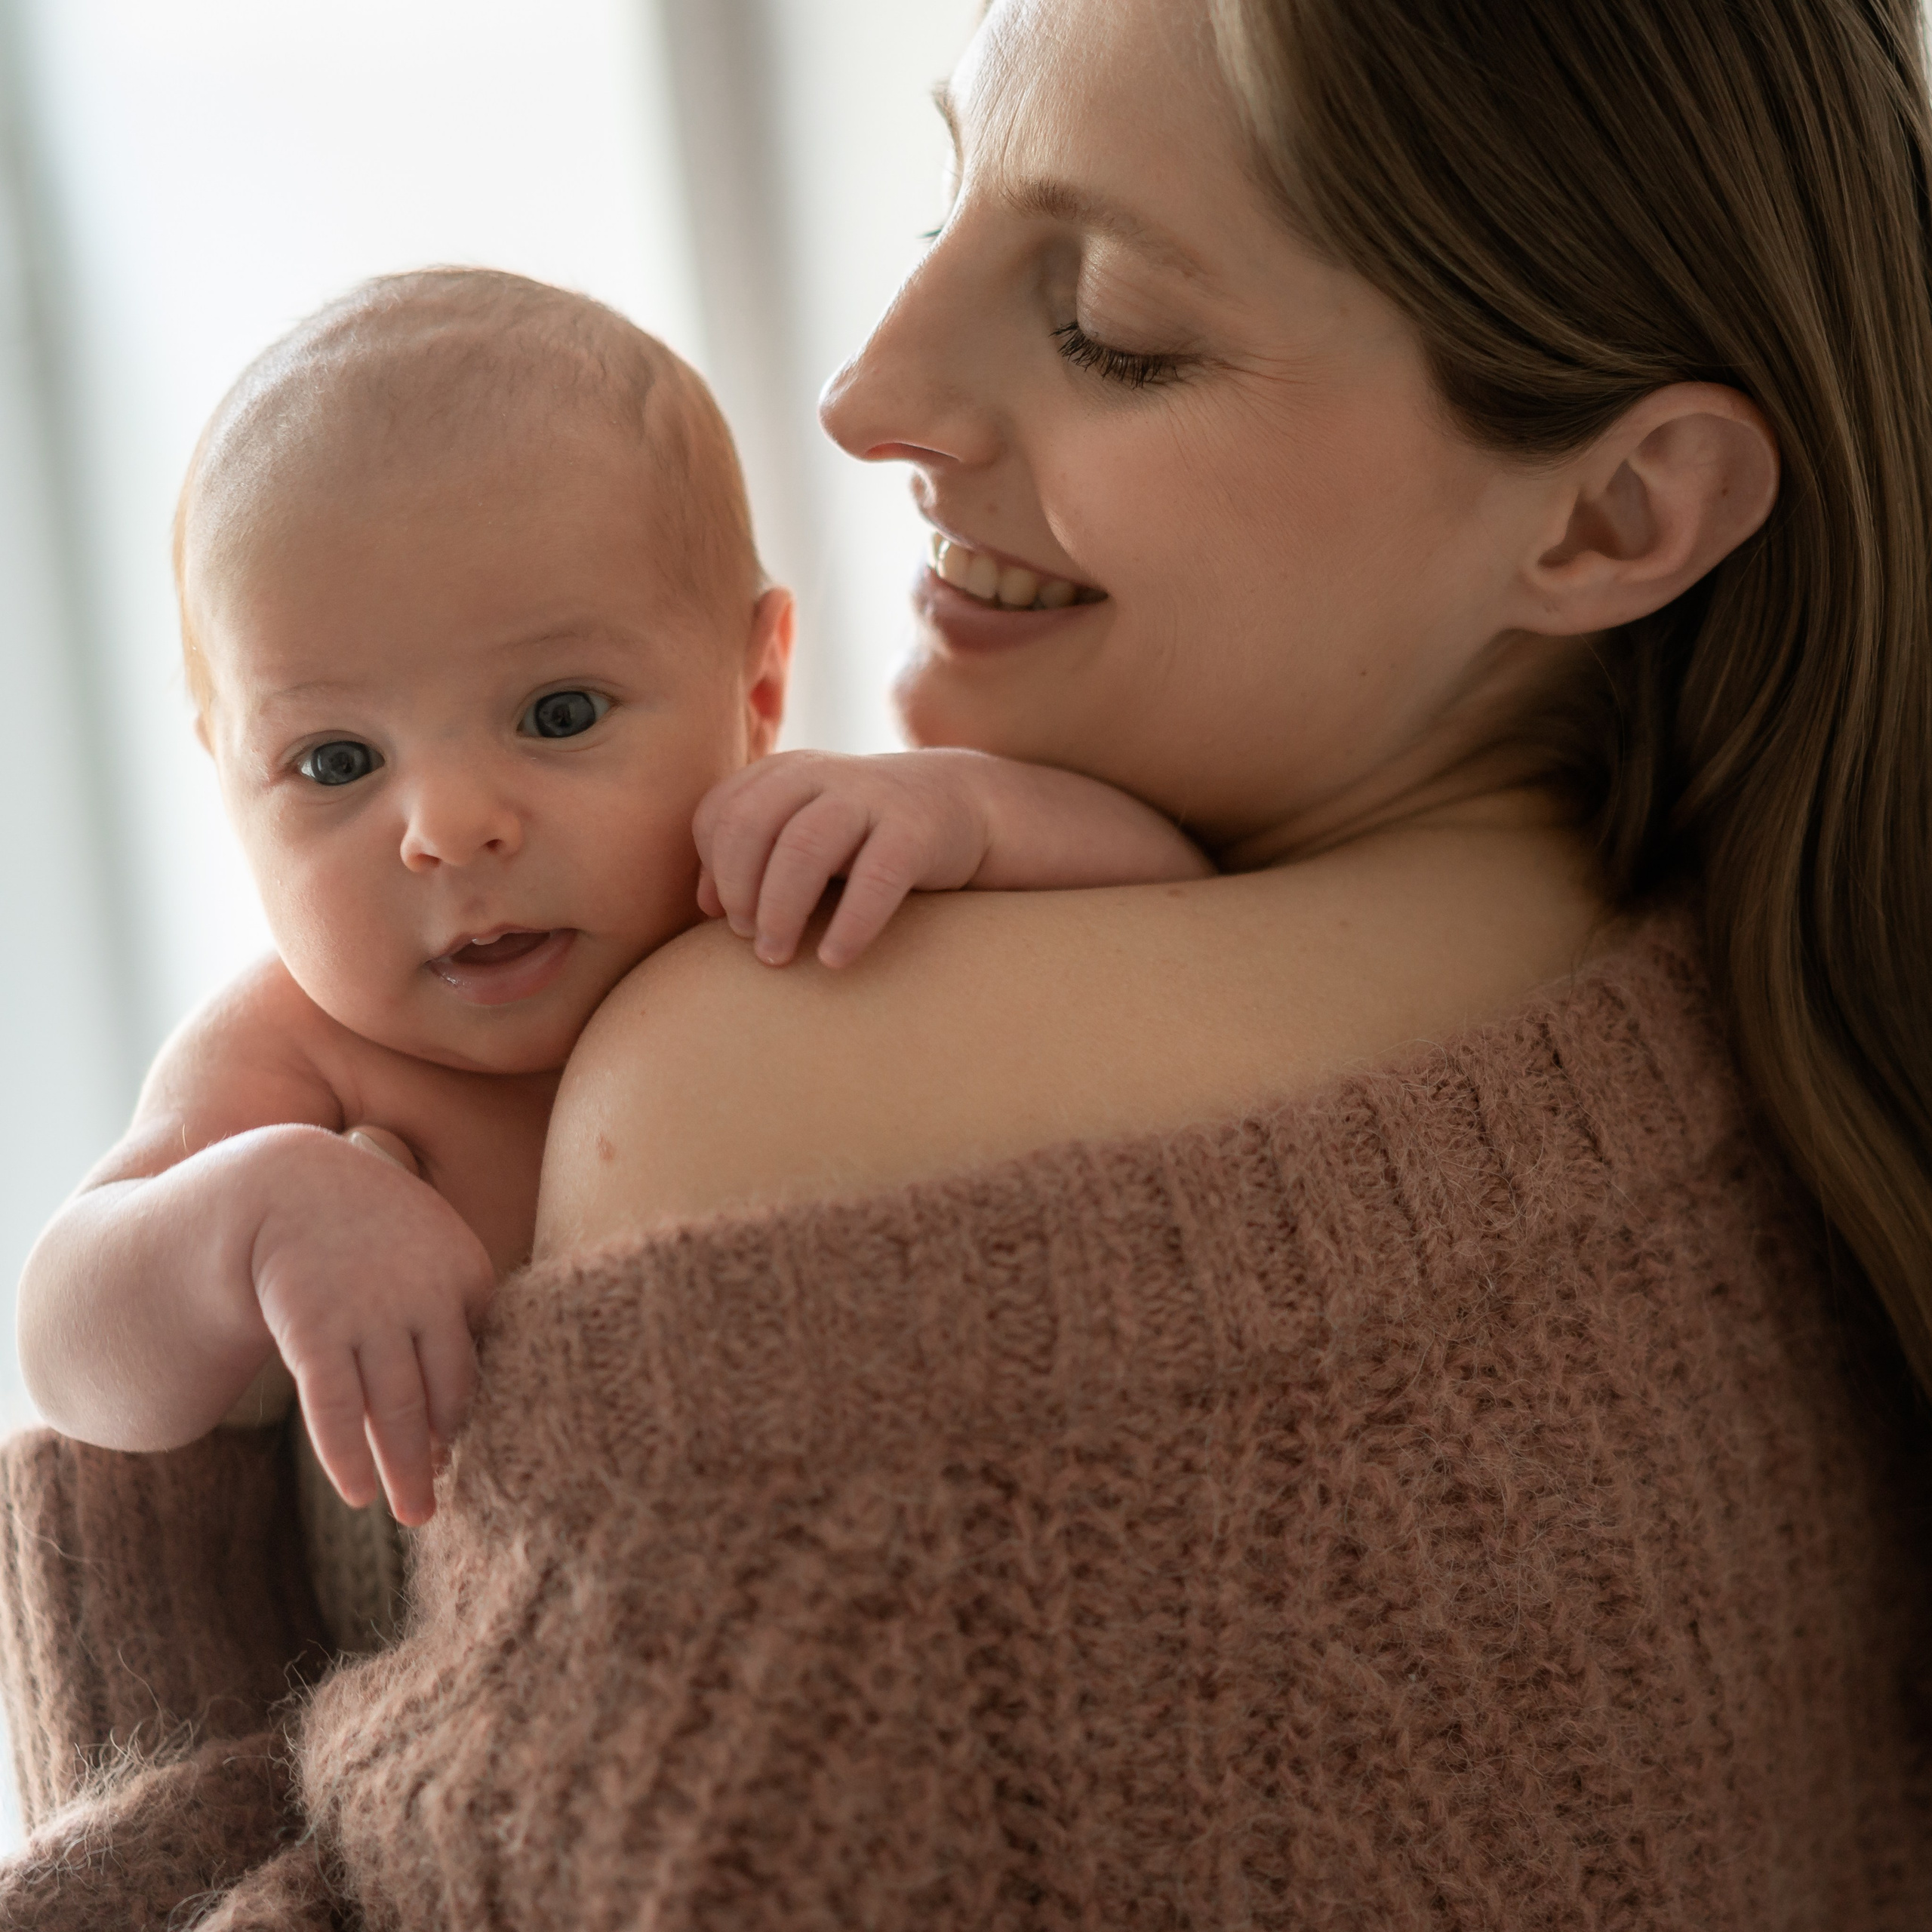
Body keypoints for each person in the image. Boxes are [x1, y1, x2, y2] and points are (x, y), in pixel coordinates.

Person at [3, 0, 1929, 1922]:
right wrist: (245, 1222)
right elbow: (82, 1300)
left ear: (1616, 508)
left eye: (1109, 322)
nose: (860, 390)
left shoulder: (771, 1067)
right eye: (945, 204)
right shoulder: (1743, 1016)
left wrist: (149, 1604)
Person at [12, 268, 1208, 1531]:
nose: (449, 829)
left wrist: (978, 812)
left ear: (755, 690)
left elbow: (1179, 902)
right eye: (335, 762)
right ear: (225, 777)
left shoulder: (795, 867)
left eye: (559, 714)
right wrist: (251, 1218)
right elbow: (64, 1345)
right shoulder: (300, 1054)